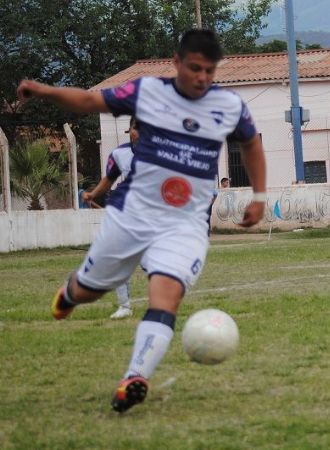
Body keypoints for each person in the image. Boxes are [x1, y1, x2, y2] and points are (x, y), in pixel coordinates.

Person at [17, 29, 267, 413]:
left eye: (210, 71)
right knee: (91, 291)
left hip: (185, 224)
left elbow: (250, 143)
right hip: (132, 216)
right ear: (177, 62)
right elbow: (89, 100)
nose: (202, 77)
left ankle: (135, 377)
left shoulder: (229, 105)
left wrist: (259, 196)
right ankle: (70, 293)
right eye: (195, 68)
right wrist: (45, 91)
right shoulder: (147, 91)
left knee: (167, 295)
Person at [82, 116, 140, 319]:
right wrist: (93, 194)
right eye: (136, 128)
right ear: (129, 130)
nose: (140, 133)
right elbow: (108, 179)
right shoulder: (119, 154)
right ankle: (125, 306)